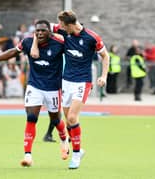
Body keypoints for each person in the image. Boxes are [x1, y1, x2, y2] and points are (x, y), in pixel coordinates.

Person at [0, 20, 69, 167]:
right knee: (31, 117)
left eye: (43, 30)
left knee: (56, 120)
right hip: (34, 86)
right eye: (37, 30)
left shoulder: (58, 42)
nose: (39, 33)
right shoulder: (28, 42)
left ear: (50, 32)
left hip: (53, 88)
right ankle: (28, 156)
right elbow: (12, 52)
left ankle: (64, 140)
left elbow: (72, 39)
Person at [31, 10, 109, 169]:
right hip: (66, 82)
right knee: (69, 120)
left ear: (71, 25)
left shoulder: (92, 37)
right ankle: (78, 150)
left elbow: (105, 56)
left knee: (72, 118)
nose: (59, 28)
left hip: (82, 82)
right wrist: (34, 43)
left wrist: (104, 76)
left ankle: (76, 154)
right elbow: (41, 27)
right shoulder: (62, 30)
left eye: (62, 25)